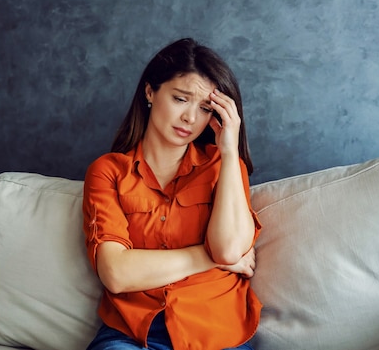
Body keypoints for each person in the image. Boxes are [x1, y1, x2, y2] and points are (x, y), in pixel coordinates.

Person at [82, 38, 262, 350]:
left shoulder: (223, 167)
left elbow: (230, 249)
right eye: (181, 99)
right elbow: (115, 273)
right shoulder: (107, 171)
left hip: (216, 333)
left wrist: (230, 150)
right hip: (132, 335)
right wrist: (211, 258)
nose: (191, 118)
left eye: (205, 108)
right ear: (150, 92)